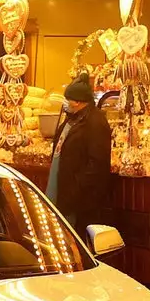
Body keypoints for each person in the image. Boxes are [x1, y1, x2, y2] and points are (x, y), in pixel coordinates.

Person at [46, 74, 114, 241]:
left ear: (76, 101)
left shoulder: (95, 122)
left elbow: (98, 161)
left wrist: (78, 185)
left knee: (76, 239)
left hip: (80, 199)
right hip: (66, 192)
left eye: (67, 99)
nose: (65, 102)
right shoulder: (73, 119)